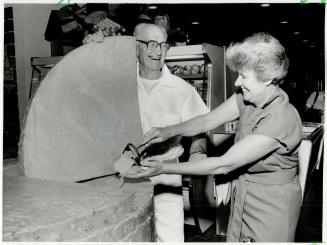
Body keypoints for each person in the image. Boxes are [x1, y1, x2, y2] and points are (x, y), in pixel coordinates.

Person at [127, 32, 303, 242]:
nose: (237, 82)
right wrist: (168, 130)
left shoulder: (281, 118)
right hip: (245, 193)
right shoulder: (245, 98)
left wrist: (163, 167)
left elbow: (223, 165)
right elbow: (206, 121)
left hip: (273, 204)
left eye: (244, 76)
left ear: (267, 79)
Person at [83, 23, 208, 242]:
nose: (158, 51)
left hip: (166, 175)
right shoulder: (119, 86)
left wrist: (198, 152)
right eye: (150, 44)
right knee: (127, 234)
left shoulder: (181, 90)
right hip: (126, 175)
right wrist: (90, 51)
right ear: (135, 47)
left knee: (169, 238)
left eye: (162, 45)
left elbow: (199, 131)